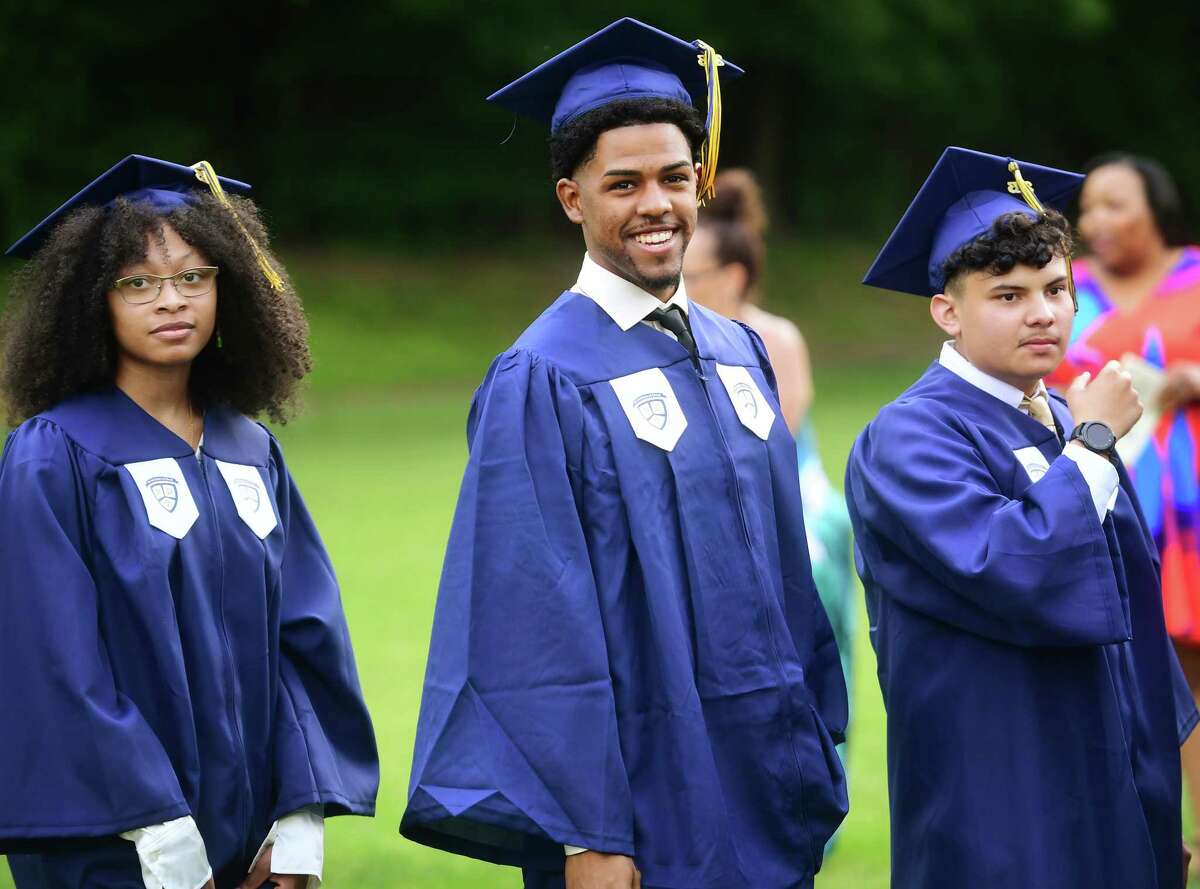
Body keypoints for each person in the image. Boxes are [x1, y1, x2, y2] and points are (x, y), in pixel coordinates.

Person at [401, 18, 847, 889]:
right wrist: (584, 833)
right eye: (625, 183)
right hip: (637, 802)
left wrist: (811, 739)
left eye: (676, 178)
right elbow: (530, 622)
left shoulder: (737, 352)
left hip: (760, 776)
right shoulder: (542, 377)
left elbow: (786, 572)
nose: (657, 204)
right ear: (573, 199)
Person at [0, 155, 379, 889]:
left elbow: (304, 636)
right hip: (111, 845)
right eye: (137, 282)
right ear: (93, 301)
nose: (171, 300)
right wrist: (163, 837)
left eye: (194, 277)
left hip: (251, 846)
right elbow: (53, 664)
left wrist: (298, 821)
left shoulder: (250, 450)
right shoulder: (55, 456)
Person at [845, 146, 1197, 888]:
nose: (1043, 312)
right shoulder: (910, 436)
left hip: (1107, 790)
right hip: (998, 805)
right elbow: (1009, 563)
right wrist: (1096, 446)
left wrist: (1161, 799)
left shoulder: (1064, 415)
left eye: (1057, 287)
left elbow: (1137, 618)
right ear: (947, 310)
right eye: (1007, 295)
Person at [1044, 154, 1200, 864]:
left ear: (1157, 207)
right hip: (1108, 503)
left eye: (1116, 205)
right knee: (1137, 670)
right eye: (1089, 207)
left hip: (1191, 513)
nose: (1095, 221)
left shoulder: (1195, 277)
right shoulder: (1064, 291)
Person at [683, 169, 855, 738]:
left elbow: (774, 445)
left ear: (732, 277)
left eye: (692, 273)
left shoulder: (774, 339)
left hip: (790, 504)